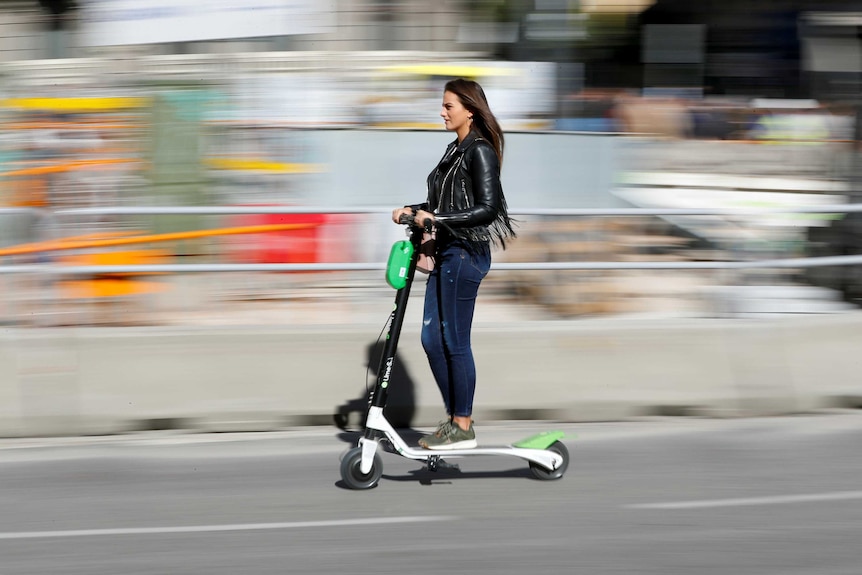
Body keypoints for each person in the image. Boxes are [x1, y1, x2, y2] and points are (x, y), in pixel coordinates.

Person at [391, 78, 516, 450]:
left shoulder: (479, 151)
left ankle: (461, 423)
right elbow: (442, 205)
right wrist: (413, 211)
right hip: (447, 252)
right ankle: (455, 419)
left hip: (466, 254)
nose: (442, 112)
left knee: (454, 342)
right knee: (432, 339)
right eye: (443, 106)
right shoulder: (454, 150)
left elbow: (487, 208)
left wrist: (436, 222)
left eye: (449, 106)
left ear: (470, 110)